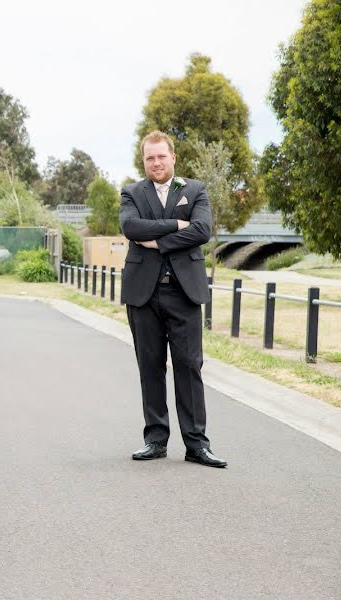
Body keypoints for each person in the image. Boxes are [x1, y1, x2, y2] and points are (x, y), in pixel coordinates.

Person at [119, 131, 227, 468]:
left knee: (189, 366)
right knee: (150, 367)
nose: (156, 163)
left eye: (161, 156)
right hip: (143, 294)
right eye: (150, 158)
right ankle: (155, 440)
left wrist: (160, 242)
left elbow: (202, 230)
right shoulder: (132, 192)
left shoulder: (195, 190)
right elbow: (132, 228)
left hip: (184, 292)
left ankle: (196, 444)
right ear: (144, 160)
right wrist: (176, 224)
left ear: (173, 157)